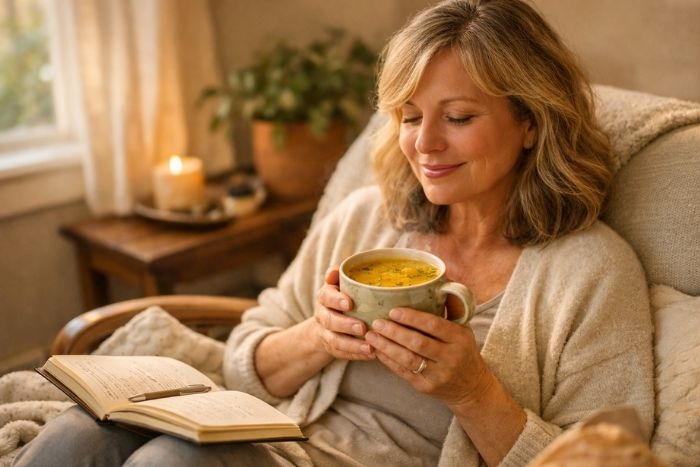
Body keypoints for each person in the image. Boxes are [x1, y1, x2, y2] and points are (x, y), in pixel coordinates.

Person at [14, 0, 654, 465]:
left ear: (531, 123)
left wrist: (473, 391)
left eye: (457, 117)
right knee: (79, 433)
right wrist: (319, 336)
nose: (423, 144)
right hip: (278, 438)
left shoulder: (592, 272)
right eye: (408, 116)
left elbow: (601, 456)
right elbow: (247, 358)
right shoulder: (367, 218)